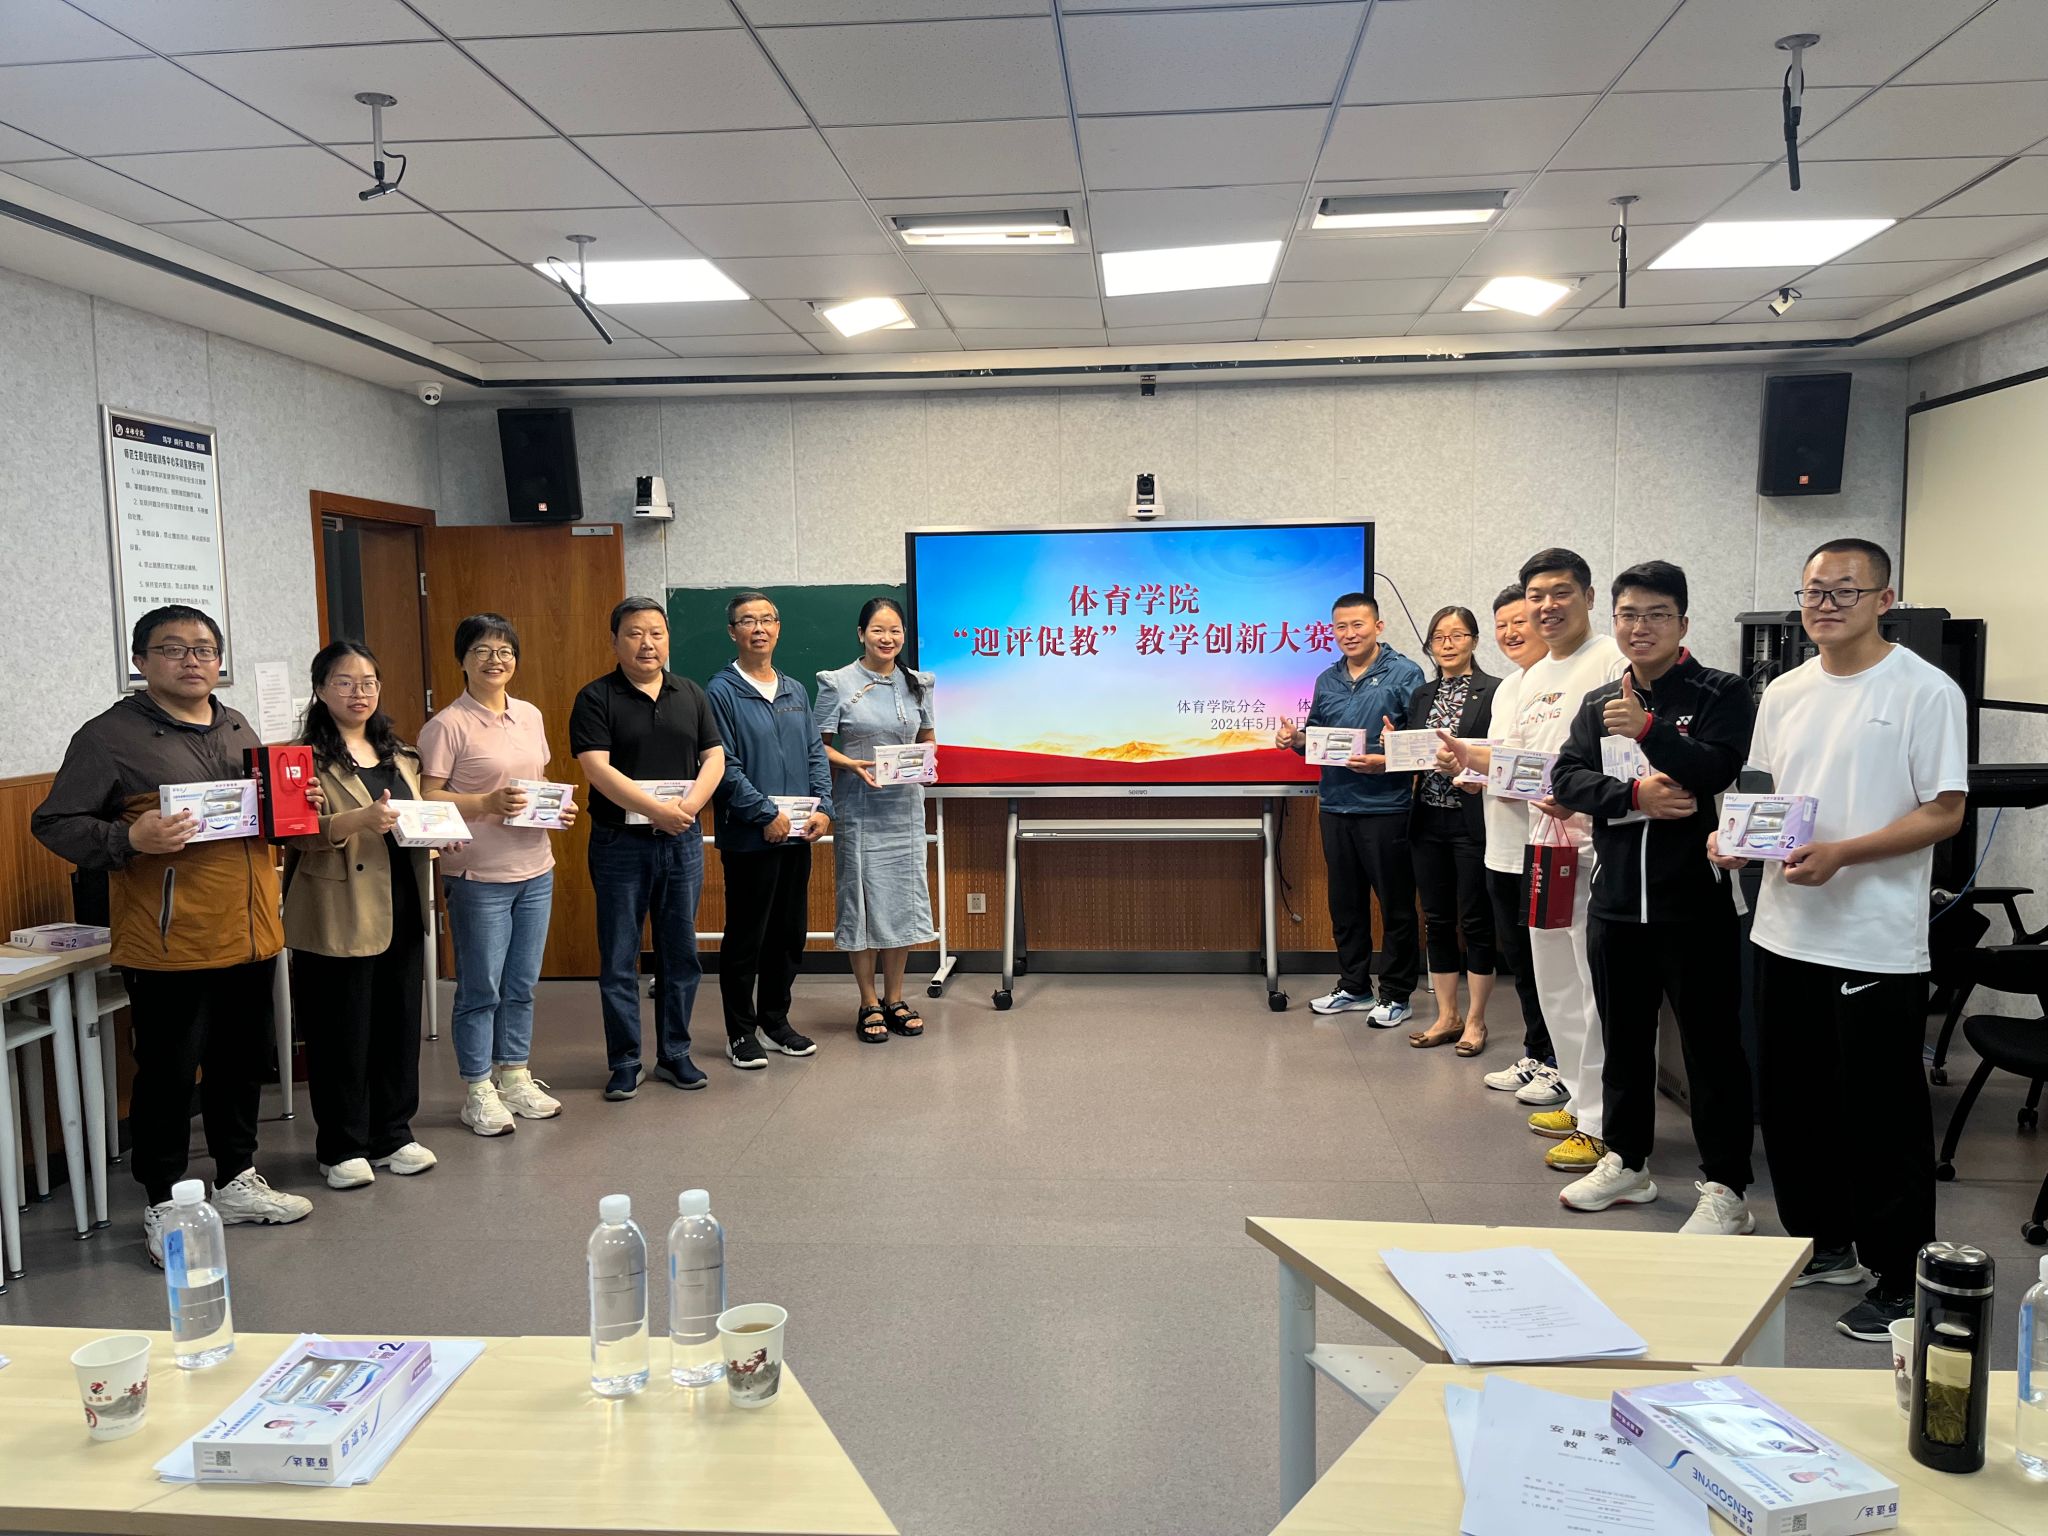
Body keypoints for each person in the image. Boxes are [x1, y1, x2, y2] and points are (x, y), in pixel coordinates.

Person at [1710, 538, 1966, 1340]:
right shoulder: (1785, 691)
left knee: (1881, 1111)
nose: (1824, 604)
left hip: (1872, 939)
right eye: (1813, 591)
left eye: (1844, 591)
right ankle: (1825, 1244)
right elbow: (1766, 793)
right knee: (1793, 1101)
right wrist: (1735, 839)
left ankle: (1900, 1276)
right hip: (1784, 927)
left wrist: (1845, 853)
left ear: (1884, 599)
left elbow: (1945, 811)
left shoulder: (1926, 690)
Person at [32, 605, 313, 1263]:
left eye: (205, 649)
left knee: (241, 1063)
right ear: (140, 661)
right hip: (169, 941)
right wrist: (127, 837)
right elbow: (54, 822)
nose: (192, 660)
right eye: (173, 648)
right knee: (167, 1073)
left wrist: (298, 808)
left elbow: (256, 815)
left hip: (249, 930)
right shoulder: (108, 737)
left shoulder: (235, 724)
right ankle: (162, 1201)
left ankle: (237, 1178)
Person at [1548, 562, 1757, 1233]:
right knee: (1624, 1041)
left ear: (1683, 623)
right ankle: (1628, 1162)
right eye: (1629, 615)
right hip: (1614, 904)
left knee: (1711, 1049)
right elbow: (1567, 779)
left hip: (1695, 905)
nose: (1641, 627)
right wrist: (1633, 795)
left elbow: (1713, 770)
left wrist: (1648, 731)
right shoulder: (1597, 702)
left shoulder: (1721, 692)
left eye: (1657, 614)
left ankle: (1726, 1186)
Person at [1436, 549, 1627, 1172]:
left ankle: (1606, 1122)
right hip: (1543, 845)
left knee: (1595, 987)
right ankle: (1579, 1098)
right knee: (1556, 982)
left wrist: (1572, 790)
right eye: (1536, 596)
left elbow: (1623, 761)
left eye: (1560, 593)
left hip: (1595, 848)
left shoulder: (1611, 660)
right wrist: (1468, 755)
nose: (1546, 607)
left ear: (1589, 597)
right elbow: (1514, 757)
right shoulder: (1534, 676)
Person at [283, 641, 437, 1191]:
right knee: (340, 1031)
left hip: (400, 902)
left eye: (368, 682)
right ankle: (342, 1146)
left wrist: (440, 834)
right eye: (345, 682)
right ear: (320, 689)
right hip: (336, 908)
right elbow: (296, 836)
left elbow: (413, 818)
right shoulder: (300, 760)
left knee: (399, 1024)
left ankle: (393, 1133)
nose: (359, 693)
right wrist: (358, 819)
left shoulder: (401, 754)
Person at [418, 612, 571, 1135]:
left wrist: (556, 809)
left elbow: (537, 782)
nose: (495, 659)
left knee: (522, 983)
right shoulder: (447, 725)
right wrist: (485, 802)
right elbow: (428, 796)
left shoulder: (529, 715)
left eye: (504, 651)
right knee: (481, 987)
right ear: (462, 660)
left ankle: (515, 1075)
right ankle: (478, 1088)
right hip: (478, 875)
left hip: (535, 867)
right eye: (482, 650)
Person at [570, 598, 724, 1100]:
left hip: (681, 840)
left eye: (656, 633)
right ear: (615, 641)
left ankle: (675, 1054)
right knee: (620, 956)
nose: (647, 643)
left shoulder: (691, 693)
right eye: (635, 633)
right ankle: (625, 1061)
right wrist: (657, 810)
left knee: (681, 953)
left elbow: (714, 757)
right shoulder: (596, 697)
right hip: (620, 842)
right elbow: (597, 768)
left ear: (667, 639)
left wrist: (688, 808)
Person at [1276, 594, 1426, 1025]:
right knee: (1345, 903)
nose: (1349, 634)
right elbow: (1318, 737)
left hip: (1387, 807)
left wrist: (1386, 759)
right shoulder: (1327, 679)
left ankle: (1396, 994)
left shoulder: (1405, 673)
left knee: (1396, 905)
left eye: (1358, 625)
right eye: (1341, 627)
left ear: (1378, 626)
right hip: (1335, 804)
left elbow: (1421, 744)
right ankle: (1355, 986)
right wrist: (1297, 740)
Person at [706, 592, 833, 1069]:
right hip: (750, 837)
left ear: (778, 628)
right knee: (747, 937)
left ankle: (775, 1021)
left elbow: (815, 753)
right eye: (747, 621)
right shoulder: (720, 691)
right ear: (732, 632)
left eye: (767, 620)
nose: (758, 628)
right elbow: (723, 765)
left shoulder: (795, 690)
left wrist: (823, 808)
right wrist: (763, 814)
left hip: (798, 834)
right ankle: (740, 1032)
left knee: (788, 933)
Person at [816, 597, 936, 1043]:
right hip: (859, 809)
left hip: (904, 809)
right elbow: (817, 746)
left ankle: (895, 998)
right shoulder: (837, 683)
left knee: (901, 901)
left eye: (895, 631)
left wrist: (925, 761)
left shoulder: (918, 683)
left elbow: (927, 736)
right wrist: (851, 764)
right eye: (878, 630)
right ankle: (868, 1001)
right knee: (862, 903)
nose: (888, 638)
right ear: (861, 634)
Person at [1472, 587, 1560, 1105]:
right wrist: (1470, 770)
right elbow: (1500, 758)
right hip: (1502, 844)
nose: (1509, 633)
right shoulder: (1508, 687)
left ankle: (1560, 1064)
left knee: (1553, 966)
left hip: (1548, 845)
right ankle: (1536, 1052)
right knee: (1522, 962)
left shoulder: (1564, 680)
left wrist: (1490, 769)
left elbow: (1552, 770)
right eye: (1501, 624)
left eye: (1518, 622)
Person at [1404, 605, 1498, 1055]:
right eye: (1439, 637)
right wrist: (1395, 746)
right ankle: (1447, 1016)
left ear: (1474, 641)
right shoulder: (1422, 695)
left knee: (1476, 919)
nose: (1447, 644)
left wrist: (1467, 767)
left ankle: (1476, 1021)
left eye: (1457, 635)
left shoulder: (1495, 691)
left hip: (1470, 819)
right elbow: (1415, 754)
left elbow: (1501, 754)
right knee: (1437, 918)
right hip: (1427, 818)